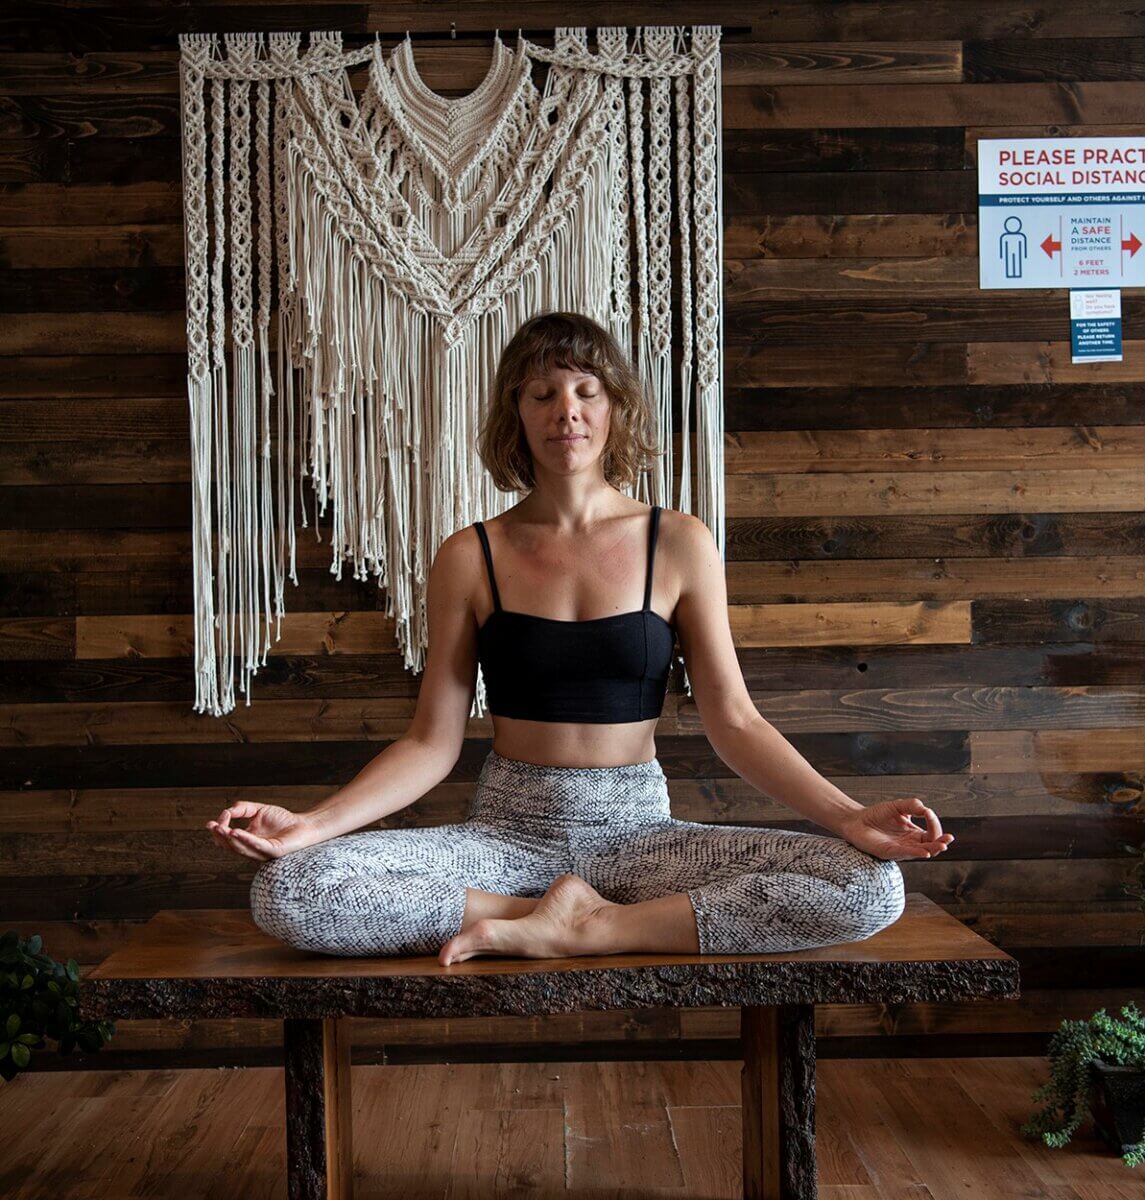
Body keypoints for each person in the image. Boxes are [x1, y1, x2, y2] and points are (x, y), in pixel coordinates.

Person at [207, 311, 954, 965]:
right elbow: (430, 744)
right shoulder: (470, 555)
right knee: (291, 890)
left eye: (585, 391)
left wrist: (849, 817)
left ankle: (594, 929)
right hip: (505, 835)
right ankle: (538, 919)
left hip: (638, 835)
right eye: (543, 393)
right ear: (517, 415)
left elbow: (735, 721)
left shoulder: (678, 542)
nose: (566, 410)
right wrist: (310, 825)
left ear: (614, 410)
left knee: (866, 884)